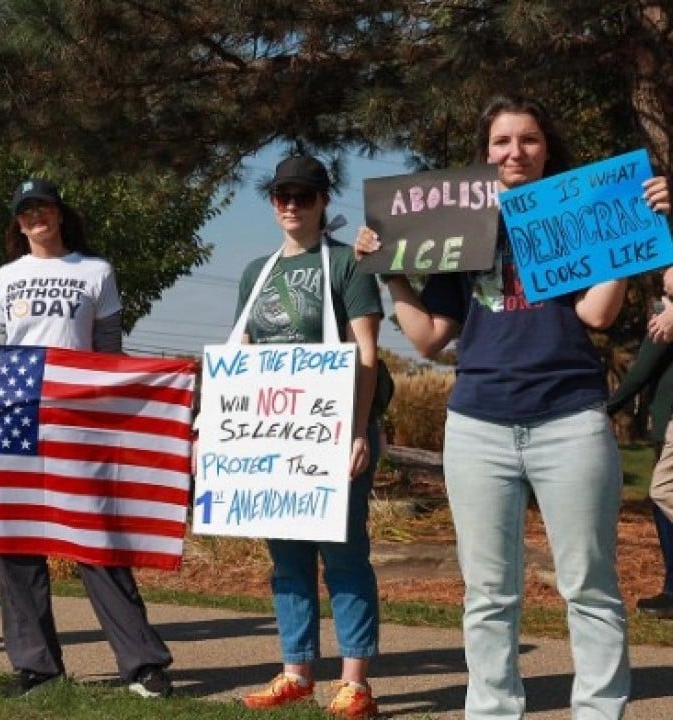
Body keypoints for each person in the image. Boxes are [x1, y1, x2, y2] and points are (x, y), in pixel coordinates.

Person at [357, 95, 671, 718]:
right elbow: (429, 336)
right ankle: (492, 710)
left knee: (589, 586)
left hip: (571, 418)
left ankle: (599, 710)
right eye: (502, 142)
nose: (515, 152)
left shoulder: (576, 213)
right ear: (486, 152)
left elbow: (598, 316)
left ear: (546, 147)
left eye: (528, 140)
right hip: (478, 425)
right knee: (488, 592)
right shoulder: (460, 229)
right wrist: (390, 268)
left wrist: (633, 230)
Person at [0, 178, 173, 699]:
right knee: (15, 544)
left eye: (43, 208)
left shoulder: (96, 271)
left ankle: (142, 665)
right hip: (18, 420)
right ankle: (36, 668)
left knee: (97, 538)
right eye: (25, 212)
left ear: (60, 214)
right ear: (18, 224)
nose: (35, 217)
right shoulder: (4, 278)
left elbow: (108, 352)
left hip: (79, 421)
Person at [232, 156, 383, 718]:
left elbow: (365, 352)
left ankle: (355, 683)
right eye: (281, 196)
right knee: (287, 560)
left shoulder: (347, 265)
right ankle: (296, 671)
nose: (290, 205)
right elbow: (244, 357)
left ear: (322, 202)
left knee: (344, 556)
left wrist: (360, 429)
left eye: (302, 195)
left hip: (334, 432)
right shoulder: (255, 273)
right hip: (273, 440)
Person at [609, 266, 673, 618]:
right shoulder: (664, 310)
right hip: (664, 419)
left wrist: (607, 406)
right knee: (661, 500)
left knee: (663, 492)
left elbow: (642, 368)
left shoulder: (665, 314)